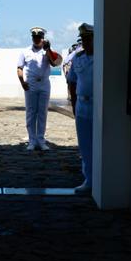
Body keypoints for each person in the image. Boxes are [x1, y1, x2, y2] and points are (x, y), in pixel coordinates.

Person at [17, 27, 62, 151]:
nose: (37, 39)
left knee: (42, 112)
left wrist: (48, 49)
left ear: (43, 39)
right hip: (31, 83)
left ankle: (41, 140)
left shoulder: (47, 51)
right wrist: (22, 82)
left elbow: (55, 63)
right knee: (31, 112)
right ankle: (32, 140)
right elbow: (19, 68)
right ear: (32, 38)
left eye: (39, 37)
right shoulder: (25, 51)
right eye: (35, 37)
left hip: (44, 84)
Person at [66, 23, 93, 194]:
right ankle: (89, 179)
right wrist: (74, 105)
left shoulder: (102, 56)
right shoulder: (78, 58)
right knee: (84, 145)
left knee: (98, 143)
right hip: (82, 104)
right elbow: (72, 81)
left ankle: (99, 178)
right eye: (82, 39)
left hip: (97, 104)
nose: (84, 42)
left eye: (87, 39)